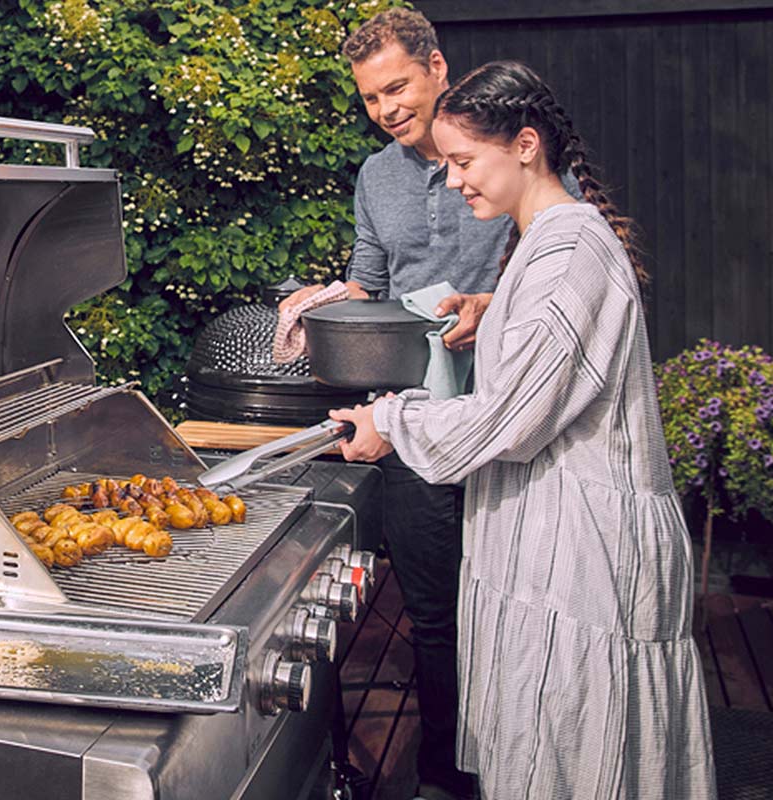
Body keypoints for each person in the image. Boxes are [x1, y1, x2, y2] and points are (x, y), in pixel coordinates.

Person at [331, 61, 717, 798]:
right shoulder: (545, 243)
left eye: (465, 162)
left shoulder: (567, 251)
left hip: (586, 556)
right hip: (553, 542)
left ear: (527, 145)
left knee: (580, 757)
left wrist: (391, 420)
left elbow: (513, 418)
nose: (453, 182)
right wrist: (490, 307)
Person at [279, 10, 493, 798]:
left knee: (515, 605)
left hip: (511, 413)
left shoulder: (506, 149)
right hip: (415, 419)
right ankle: (448, 774)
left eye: (397, 86)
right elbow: (369, 282)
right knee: (436, 616)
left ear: (438, 66)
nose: (388, 109)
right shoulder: (377, 176)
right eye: (371, 98)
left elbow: (563, 256)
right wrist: (324, 301)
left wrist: (488, 304)